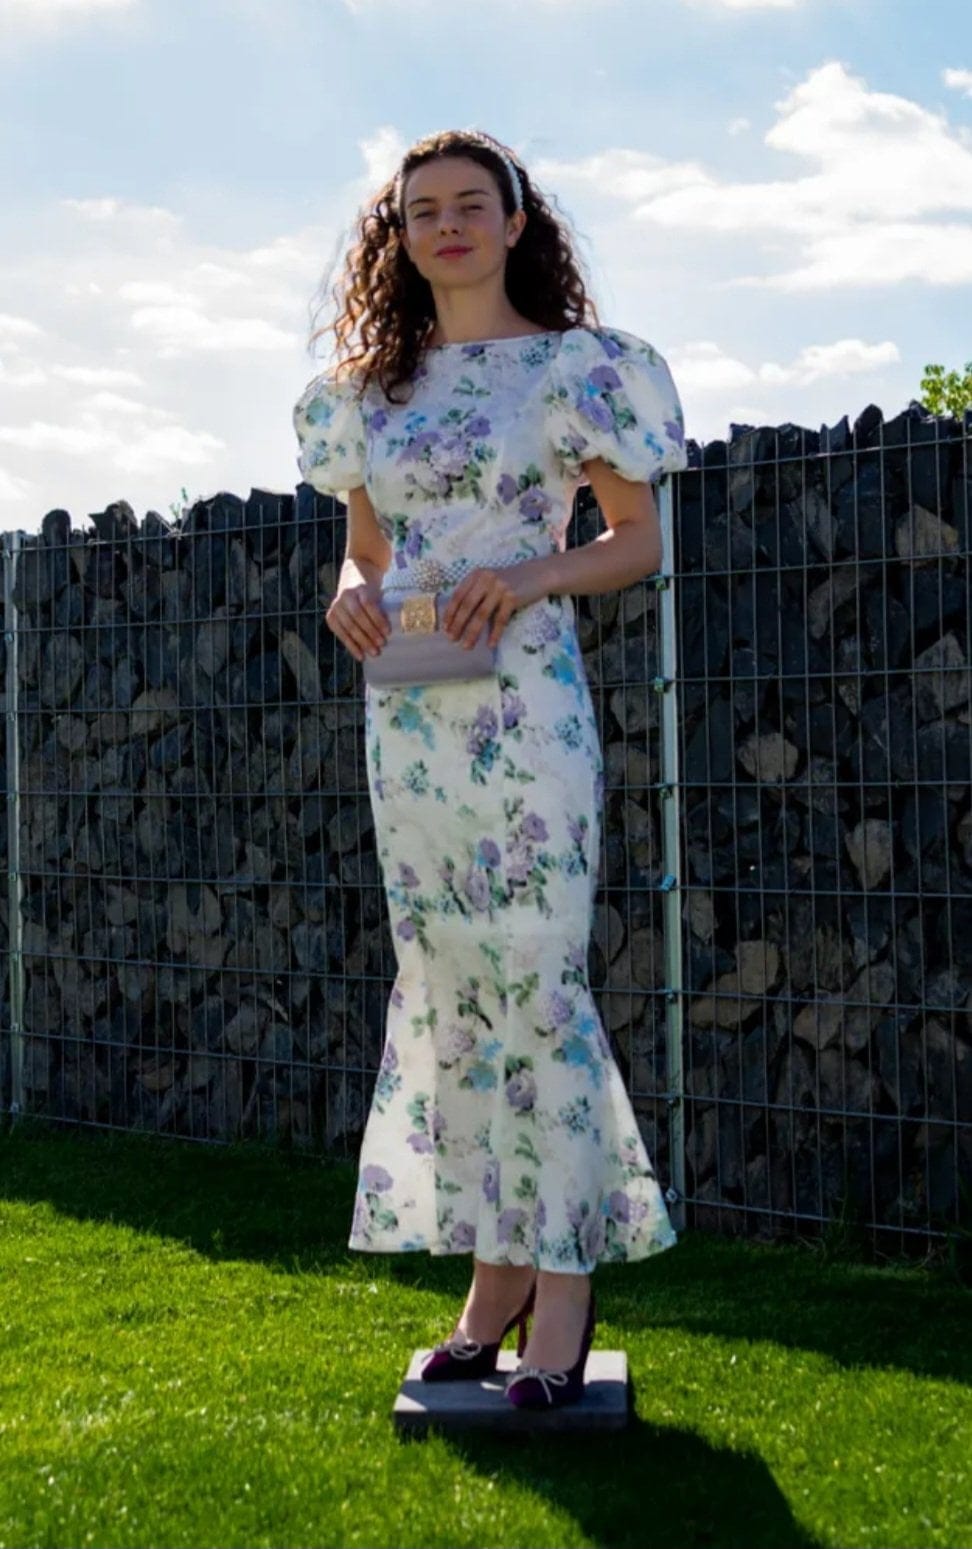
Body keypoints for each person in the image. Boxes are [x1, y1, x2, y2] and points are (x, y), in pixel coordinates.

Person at [293, 127, 687, 1411]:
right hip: (411, 717)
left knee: (538, 983)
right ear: (398, 236)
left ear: (518, 223)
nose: (448, 225)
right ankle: (494, 1281)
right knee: (455, 993)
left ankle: (564, 1289)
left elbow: (635, 540)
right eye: (423, 211)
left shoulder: (578, 369)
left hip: (526, 711)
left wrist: (525, 574)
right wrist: (350, 593)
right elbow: (366, 549)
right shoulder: (368, 393)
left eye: (473, 204)